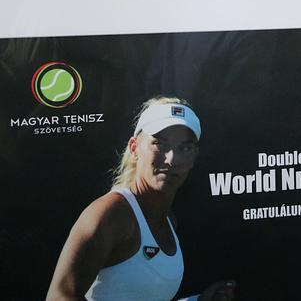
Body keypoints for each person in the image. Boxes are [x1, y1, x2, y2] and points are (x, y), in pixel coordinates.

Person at [46, 96, 235, 301]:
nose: (171, 159)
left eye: (185, 148)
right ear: (134, 148)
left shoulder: (169, 221)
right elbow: (59, 297)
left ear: (194, 157)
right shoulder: (110, 214)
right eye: (159, 144)